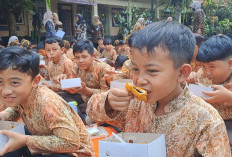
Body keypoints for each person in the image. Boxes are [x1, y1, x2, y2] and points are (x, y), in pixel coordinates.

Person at [86, 21, 231, 156]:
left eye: (152, 71)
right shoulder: (134, 103)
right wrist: (109, 102)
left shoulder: (206, 120)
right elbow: (92, 110)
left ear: (182, 73)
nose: (140, 80)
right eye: (135, 69)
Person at [0, 46, 94, 157]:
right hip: (44, 143)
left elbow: (71, 143)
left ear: (35, 81)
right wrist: (4, 115)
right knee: (8, 137)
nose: (6, 91)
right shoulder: (21, 96)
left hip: (74, 152)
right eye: (0, 82)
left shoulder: (47, 102)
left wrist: (25, 140)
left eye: (15, 82)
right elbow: (16, 108)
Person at [57, 39, 110, 123]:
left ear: (93, 56)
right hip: (82, 97)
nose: (80, 61)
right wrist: (65, 80)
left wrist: (86, 90)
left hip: (96, 100)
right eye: (77, 58)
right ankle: (81, 116)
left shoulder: (103, 69)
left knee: (101, 102)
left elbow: (107, 93)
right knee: (58, 96)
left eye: (84, 57)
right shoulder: (76, 67)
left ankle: (82, 118)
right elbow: (73, 89)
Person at [195, 35, 232, 145]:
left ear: (230, 64)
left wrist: (229, 97)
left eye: (212, 67)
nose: (207, 73)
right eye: (203, 66)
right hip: (205, 122)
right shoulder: (201, 75)